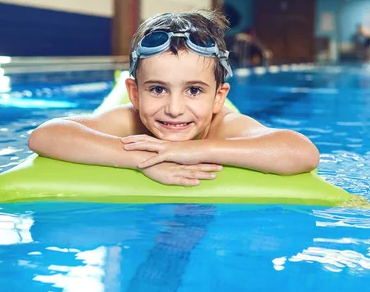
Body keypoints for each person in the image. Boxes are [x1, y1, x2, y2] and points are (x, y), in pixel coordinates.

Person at [28, 9, 320, 187]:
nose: (174, 109)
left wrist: (195, 151)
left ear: (219, 98)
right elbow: (45, 135)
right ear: (134, 94)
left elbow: (302, 153)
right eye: (157, 89)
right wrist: (144, 159)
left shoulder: (226, 126)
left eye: (194, 90)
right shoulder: (129, 120)